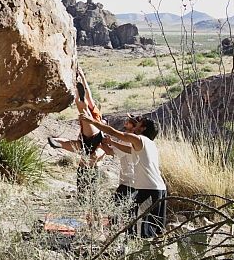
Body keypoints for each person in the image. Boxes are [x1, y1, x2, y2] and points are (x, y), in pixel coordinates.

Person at [80, 111, 167, 238]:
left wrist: (92, 122)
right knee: (148, 222)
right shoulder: (149, 144)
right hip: (155, 188)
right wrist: (112, 142)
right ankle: (140, 246)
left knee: (142, 225)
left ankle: (138, 250)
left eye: (139, 124)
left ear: (143, 128)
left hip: (150, 189)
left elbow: (116, 133)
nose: (135, 126)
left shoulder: (139, 139)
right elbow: (127, 150)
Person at [47, 67, 106, 199]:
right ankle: (58, 143)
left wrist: (82, 79)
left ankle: (60, 142)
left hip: (95, 136)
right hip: (86, 143)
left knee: (83, 111)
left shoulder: (96, 113)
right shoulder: (94, 109)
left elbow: (89, 95)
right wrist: (82, 79)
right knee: (77, 147)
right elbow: (89, 94)